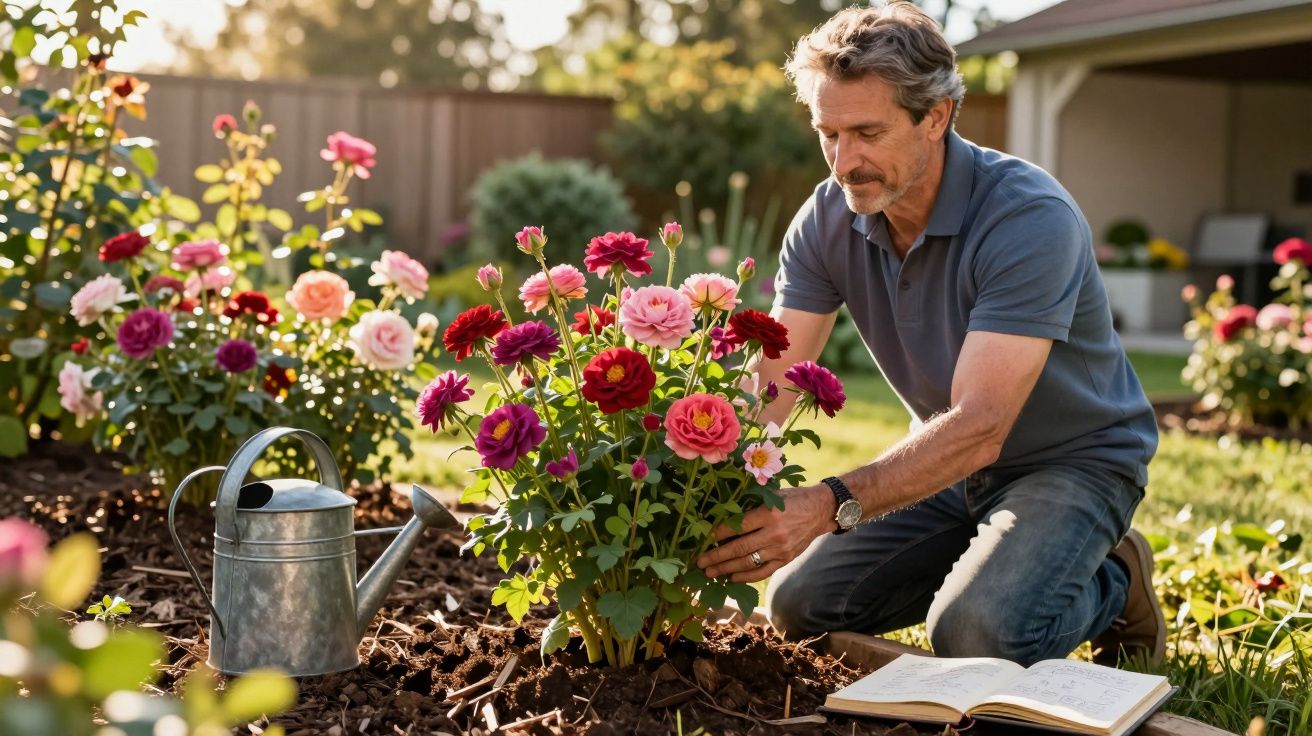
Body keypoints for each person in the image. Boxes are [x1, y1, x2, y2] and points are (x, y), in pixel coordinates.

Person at [694, 1, 1166, 667]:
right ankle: (1000, 553)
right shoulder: (828, 218)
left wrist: (827, 505)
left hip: (1073, 463)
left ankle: (1113, 581)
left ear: (936, 117)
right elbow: (770, 383)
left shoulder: (1027, 218)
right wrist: (699, 489)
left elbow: (981, 425)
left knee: (977, 637)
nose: (844, 162)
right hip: (950, 467)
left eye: (867, 133)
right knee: (798, 606)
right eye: (828, 134)